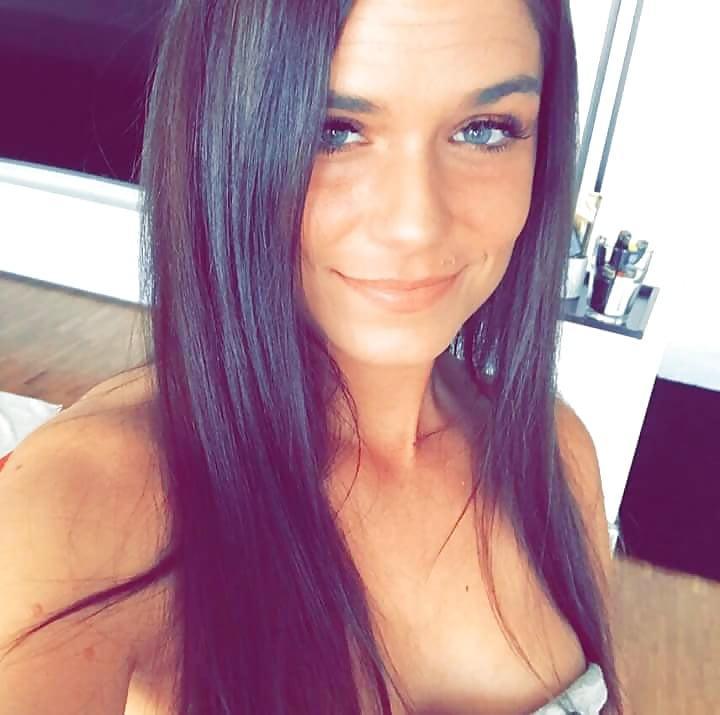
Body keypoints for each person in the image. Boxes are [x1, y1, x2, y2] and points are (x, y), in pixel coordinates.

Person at [0, 0, 630, 713]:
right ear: (220, 137)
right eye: (334, 131)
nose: (415, 224)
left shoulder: (557, 453)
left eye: (484, 130)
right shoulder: (80, 507)